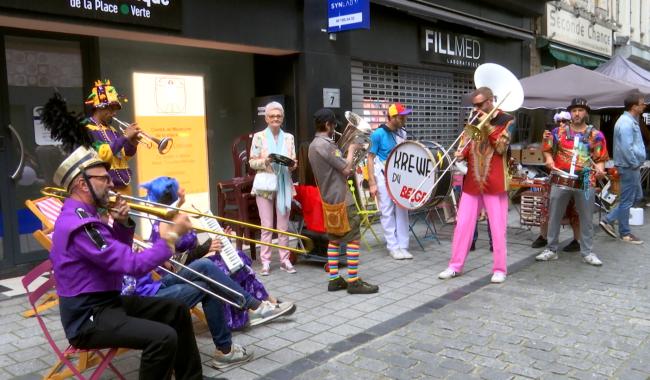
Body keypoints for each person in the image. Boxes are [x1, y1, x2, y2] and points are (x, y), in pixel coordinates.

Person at [49, 146, 204, 379]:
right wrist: (170, 238)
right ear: (83, 184)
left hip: (106, 301)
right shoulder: (80, 224)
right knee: (163, 338)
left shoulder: (85, 216)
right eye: (104, 178)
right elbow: (131, 264)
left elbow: (114, 259)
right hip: (87, 316)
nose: (111, 183)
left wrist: (121, 224)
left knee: (177, 310)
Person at [136, 176, 295, 332]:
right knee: (221, 265)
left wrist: (218, 237)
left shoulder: (174, 214)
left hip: (190, 264)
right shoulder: (164, 223)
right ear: (172, 196)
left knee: (237, 256)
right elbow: (173, 262)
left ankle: (263, 301)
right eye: (178, 189)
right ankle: (246, 312)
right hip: (175, 273)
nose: (182, 191)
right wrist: (206, 248)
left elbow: (193, 243)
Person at [438, 87, 513, 283]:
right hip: (472, 180)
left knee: (497, 227)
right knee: (462, 225)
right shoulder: (473, 119)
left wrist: (486, 125)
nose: (477, 108)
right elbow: (466, 144)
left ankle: (499, 269)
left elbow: (501, 147)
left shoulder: (507, 120)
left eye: (480, 104)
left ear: (490, 101)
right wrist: (460, 152)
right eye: (475, 105)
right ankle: (455, 265)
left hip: (495, 181)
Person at [308, 108, 379, 294]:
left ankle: (334, 279)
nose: (335, 129)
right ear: (327, 125)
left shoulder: (313, 145)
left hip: (329, 199)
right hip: (342, 199)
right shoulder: (326, 145)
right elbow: (347, 169)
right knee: (354, 239)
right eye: (333, 125)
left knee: (334, 239)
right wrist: (353, 149)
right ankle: (354, 281)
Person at [536, 98, 608, 265]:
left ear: (586, 113)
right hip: (561, 176)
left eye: (580, 110)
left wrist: (600, 169)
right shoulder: (557, 132)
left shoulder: (596, 135)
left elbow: (600, 157)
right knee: (554, 215)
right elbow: (546, 149)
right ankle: (551, 249)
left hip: (584, 177)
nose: (577, 113)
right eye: (574, 110)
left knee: (586, 217)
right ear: (570, 113)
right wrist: (548, 159)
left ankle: (587, 252)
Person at [249, 101, 298, 275]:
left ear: (282, 118)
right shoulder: (259, 136)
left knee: (283, 226)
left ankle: (285, 260)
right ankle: (266, 262)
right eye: (272, 116)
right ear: (266, 118)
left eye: (278, 116)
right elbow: (252, 162)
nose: (275, 118)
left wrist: (292, 165)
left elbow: (292, 159)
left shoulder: (289, 137)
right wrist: (266, 161)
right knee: (267, 225)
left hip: (284, 182)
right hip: (265, 184)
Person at [367, 103, 412, 260]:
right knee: (387, 211)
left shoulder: (402, 132)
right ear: (392, 117)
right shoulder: (377, 134)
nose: (405, 119)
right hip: (382, 175)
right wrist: (372, 183)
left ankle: (403, 245)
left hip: (399, 175)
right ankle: (393, 247)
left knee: (402, 209)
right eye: (402, 117)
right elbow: (370, 158)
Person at [599, 92, 646, 245]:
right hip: (629, 166)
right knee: (627, 200)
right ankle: (621, 230)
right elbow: (626, 147)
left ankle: (611, 220)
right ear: (634, 107)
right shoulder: (626, 122)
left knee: (636, 196)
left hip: (630, 166)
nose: (644, 105)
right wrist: (634, 163)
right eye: (642, 103)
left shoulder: (630, 120)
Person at [532, 111, 581, 252]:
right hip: (556, 176)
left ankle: (577, 240)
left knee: (575, 209)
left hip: (575, 176)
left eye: (564, 121)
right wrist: (545, 141)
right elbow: (546, 150)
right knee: (547, 207)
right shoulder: (553, 132)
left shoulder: (579, 134)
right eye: (558, 121)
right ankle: (543, 236)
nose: (561, 124)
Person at [84, 80, 141, 194]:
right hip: (105, 190)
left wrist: (133, 143)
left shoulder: (112, 130)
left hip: (124, 189)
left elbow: (123, 157)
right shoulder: (87, 129)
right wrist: (125, 137)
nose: (114, 113)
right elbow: (100, 155)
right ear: (99, 107)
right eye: (111, 109)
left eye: (115, 109)